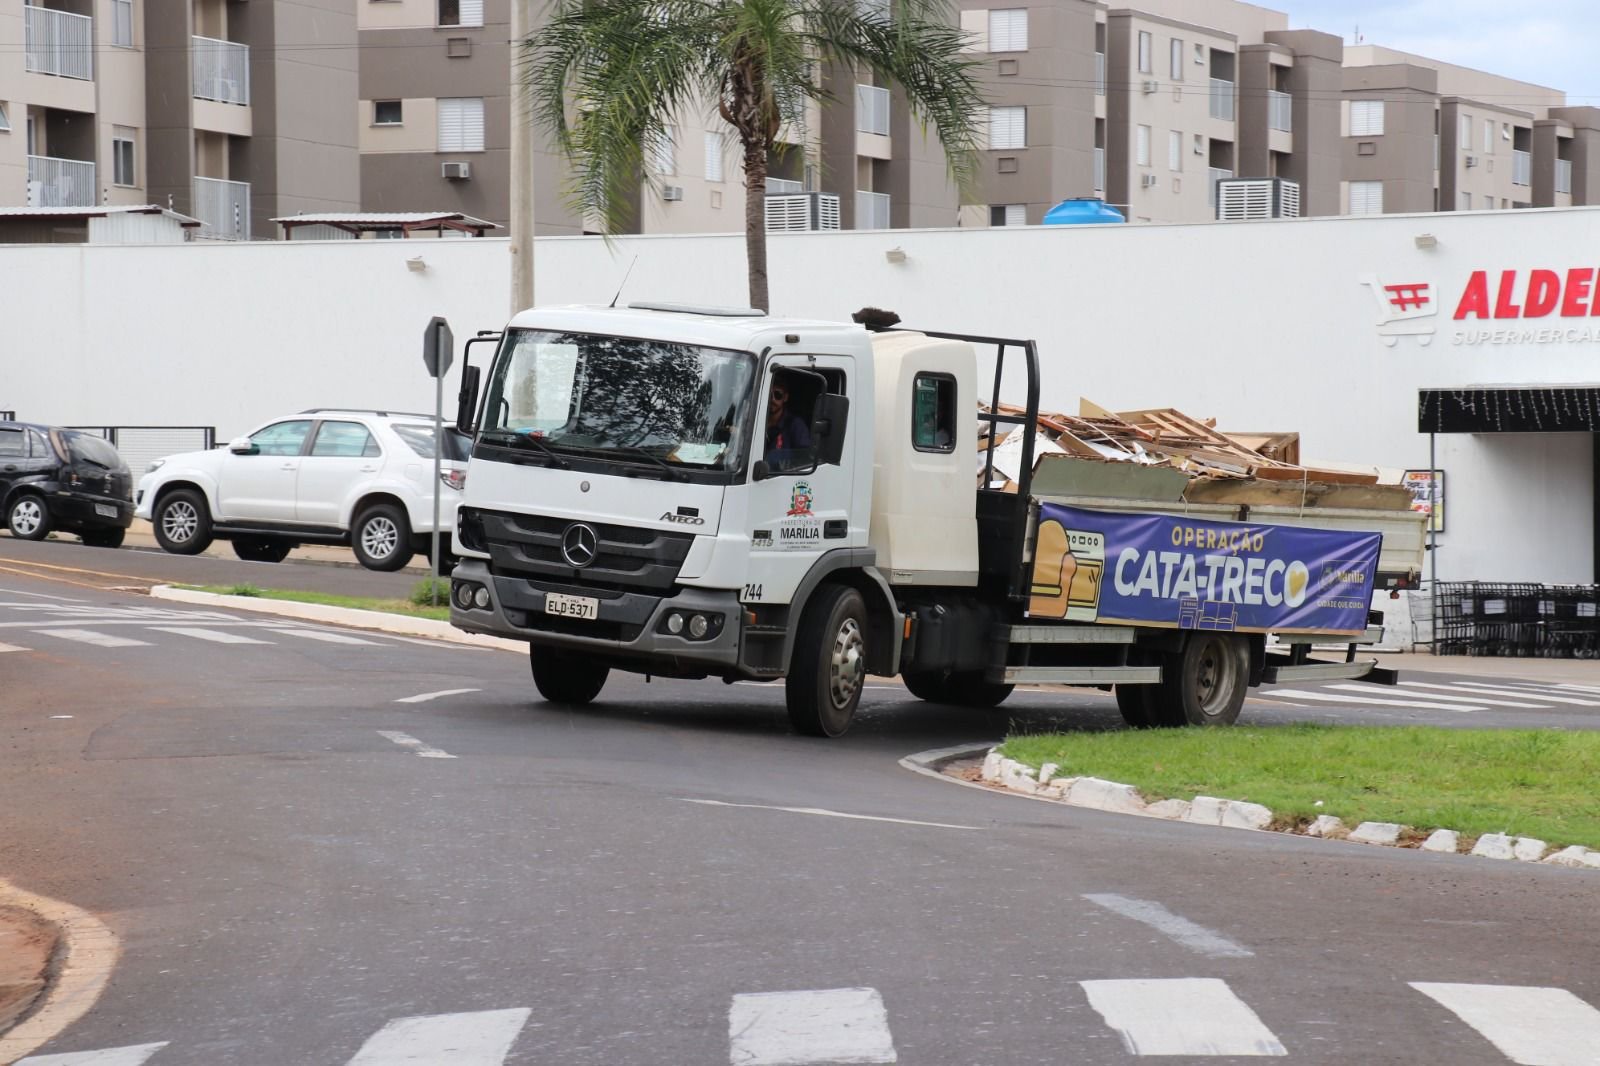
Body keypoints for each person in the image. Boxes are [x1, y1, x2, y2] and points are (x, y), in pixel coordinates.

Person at [764, 374, 812, 469]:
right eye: (769, 394)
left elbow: (805, 459)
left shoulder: (796, 425)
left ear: (785, 397)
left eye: (778, 395)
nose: (772, 399)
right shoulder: (755, 422)